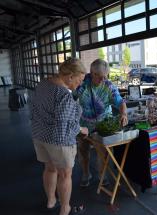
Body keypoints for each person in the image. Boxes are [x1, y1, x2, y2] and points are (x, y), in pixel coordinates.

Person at [30, 58, 88, 215]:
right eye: (79, 80)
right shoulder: (64, 95)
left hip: (39, 135)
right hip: (58, 141)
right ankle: (65, 208)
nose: (80, 84)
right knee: (65, 174)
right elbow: (64, 126)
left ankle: (51, 201)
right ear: (70, 76)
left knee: (49, 168)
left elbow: (34, 107)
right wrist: (81, 129)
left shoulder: (43, 83)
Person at [74, 59, 128, 187]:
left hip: (103, 124)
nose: (103, 80)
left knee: (103, 152)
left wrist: (124, 114)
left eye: (106, 76)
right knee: (83, 150)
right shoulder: (82, 84)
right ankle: (86, 174)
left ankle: (102, 175)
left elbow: (120, 102)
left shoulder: (108, 86)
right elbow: (70, 99)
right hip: (84, 124)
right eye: (100, 77)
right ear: (92, 73)